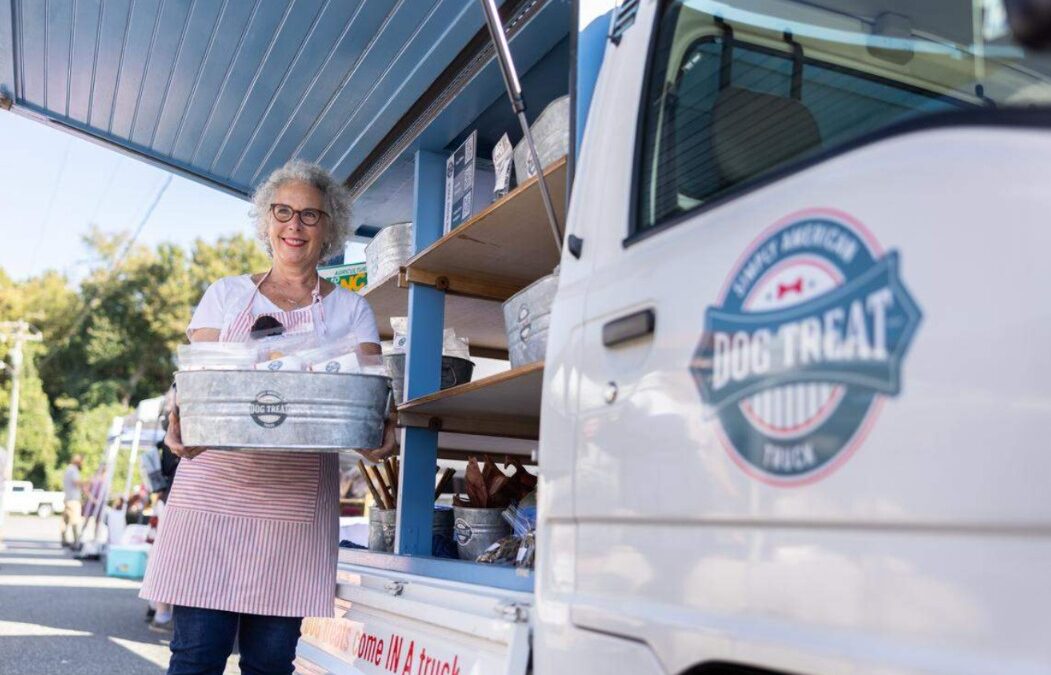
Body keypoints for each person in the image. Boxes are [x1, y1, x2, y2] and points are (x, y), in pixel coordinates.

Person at [140, 160, 397, 675]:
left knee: (271, 661)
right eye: (283, 212)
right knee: (195, 656)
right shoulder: (226, 295)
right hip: (212, 498)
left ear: (330, 228)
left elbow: (367, 402)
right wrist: (178, 418)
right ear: (266, 221)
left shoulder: (351, 312)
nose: (294, 226)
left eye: (309, 215)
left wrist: (377, 433)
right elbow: (194, 384)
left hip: (293, 509)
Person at [60, 455, 85, 548]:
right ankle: (76, 542)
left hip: (67, 498)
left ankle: (64, 539)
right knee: (75, 521)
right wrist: (87, 482)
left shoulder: (68, 469)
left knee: (65, 521)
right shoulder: (73, 470)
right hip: (73, 500)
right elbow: (76, 482)